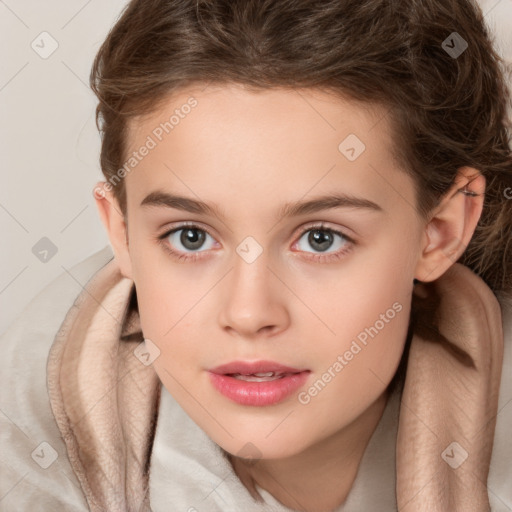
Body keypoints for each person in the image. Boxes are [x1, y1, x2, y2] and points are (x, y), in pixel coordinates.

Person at [1, 0, 512, 510]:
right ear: (122, 233)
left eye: (320, 239)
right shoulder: (31, 423)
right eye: (190, 237)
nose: (249, 313)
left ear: (440, 231)